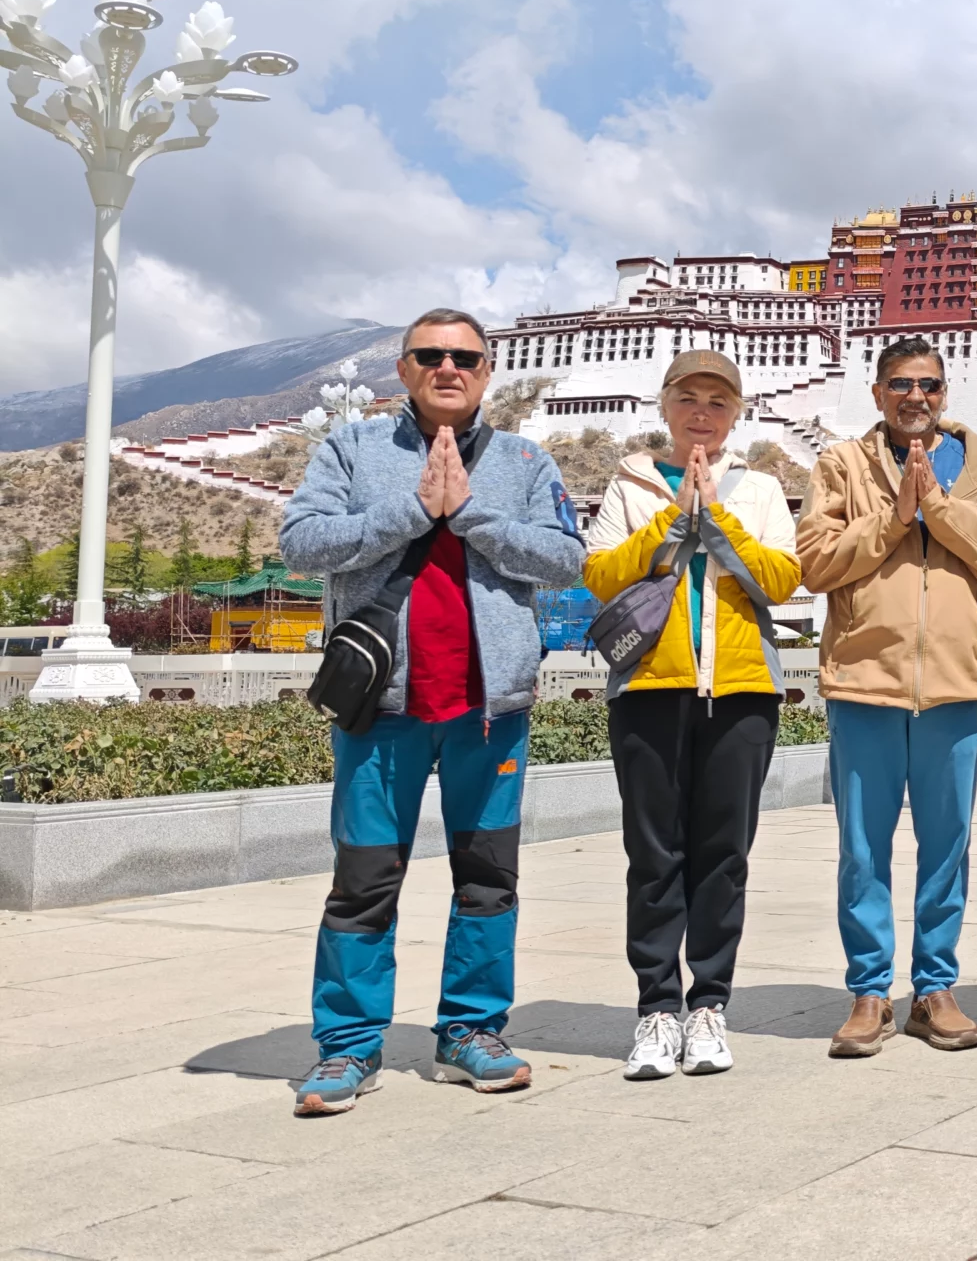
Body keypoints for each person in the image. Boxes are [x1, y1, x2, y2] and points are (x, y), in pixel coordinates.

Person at [278, 308, 588, 1116]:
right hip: (382, 708)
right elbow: (302, 544)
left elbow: (564, 558)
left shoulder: (524, 460)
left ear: (487, 373)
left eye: (466, 357)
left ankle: (471, 1032)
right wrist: (414, 512)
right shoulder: (350, 450)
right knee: (364, 880)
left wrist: (472, 513)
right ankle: (347, 1046)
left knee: (488, 879)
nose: (448, 367)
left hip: (491, 708)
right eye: (430, 355)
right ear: (404, 370)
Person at [797, 336, 977, 1057]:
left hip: (956, 682)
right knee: (862, 848)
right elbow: (815, 563)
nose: (915, 397)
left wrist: (940, 509)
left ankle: (935, 987)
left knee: (947, 845)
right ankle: (870, 992)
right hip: (865, 680)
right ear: (877, 393)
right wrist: (894, 518)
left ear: (945, 392)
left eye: (928, 384)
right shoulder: (842, 464)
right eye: (900, 384)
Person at [584, 351, 803, 1080]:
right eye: (688, 397)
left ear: (737, 412)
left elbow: (781, 579)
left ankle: (708, 1005)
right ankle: (655, 1009)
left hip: (742, 690)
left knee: (723, 857)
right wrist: (673, 524)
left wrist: (721, 525)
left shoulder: (763, 488)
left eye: (717, 399)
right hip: (649, 686)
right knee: (653, 858)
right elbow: (601, 575)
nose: (702, 411)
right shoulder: (629, 483)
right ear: (664, 406)